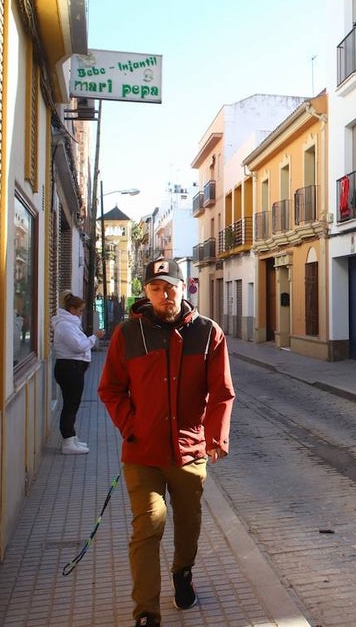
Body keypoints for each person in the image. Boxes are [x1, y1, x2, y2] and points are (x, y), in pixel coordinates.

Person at [98, 257, 234, 627]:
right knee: (149, 522)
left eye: (170, 286)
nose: (164, 295)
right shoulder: (127, 335)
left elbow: (222, 392)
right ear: (146, 293)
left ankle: (183, 573)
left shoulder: (208, 333)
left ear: (183, 287)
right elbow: (110, 389)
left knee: (188, 523)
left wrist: (215, 437)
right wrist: (131, 425)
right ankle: (146, 611)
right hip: (142, 452)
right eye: (156, 288)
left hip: (189, 452)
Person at [52, 293, 105, 455]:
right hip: (70, 368)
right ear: (72, 309)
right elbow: (78, 346)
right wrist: (94, 337)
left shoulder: (70, 324)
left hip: (72, 368)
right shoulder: (65, 326)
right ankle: (68, 440)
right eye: (80, 310)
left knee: (72, 404)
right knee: (70, 404)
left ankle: (71, 437)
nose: (81, 313)